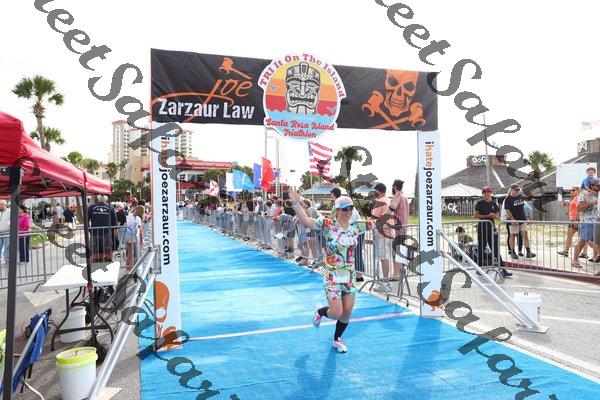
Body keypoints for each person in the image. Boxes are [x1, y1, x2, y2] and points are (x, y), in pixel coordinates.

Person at [290, 189, 373, 353]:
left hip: (348, 275)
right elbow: (307, 222)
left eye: (351, 208)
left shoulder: (356, 226)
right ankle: (320, 311)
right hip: (332, 275)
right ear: (337, 210)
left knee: (347, 311)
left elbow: (379, 222)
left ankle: (337, 339)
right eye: (345, 209)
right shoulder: (328, 225)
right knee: (336, 313)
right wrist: (296, 204)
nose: (348, 212)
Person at [474, 186, 512, 278]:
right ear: (483, 194)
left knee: (495, 248)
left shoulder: (494, 204)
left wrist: (495, 216)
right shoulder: (479, 203)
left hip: (491, 227)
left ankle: (502, 269)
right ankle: (479, 268)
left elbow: (497, 215)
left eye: (488, 192)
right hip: (482, 227)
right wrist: (488, 215)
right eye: (485, 192)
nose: (487, 194)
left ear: (491, 193)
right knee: (481, 248)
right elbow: (475, 215)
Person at [370, 183, 393, 292]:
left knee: (384, 258)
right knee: (385, 258)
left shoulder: (380, 202)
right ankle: (385, 282)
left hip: (382, 233)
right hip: (388, 232)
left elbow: (373, 217)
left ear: (377, 191)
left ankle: (385, 283)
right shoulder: (388, 200)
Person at [572, 179, 600, 268]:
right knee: (582, 241)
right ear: (591, 186)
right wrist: (589, 203)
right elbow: (578, 208)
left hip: (595, 222)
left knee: (597, 241)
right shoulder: (583, 195)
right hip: (586, 222)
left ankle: (597, 256)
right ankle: (575, 260)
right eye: (597, 185)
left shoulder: (596, 195)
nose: (599, 187)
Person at [504, 185, 536, 259]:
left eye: (518, 190)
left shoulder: (520, 196)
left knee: (525, 235)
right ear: (511, 190)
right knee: (512, 236)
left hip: (522, 219)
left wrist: (526, 217)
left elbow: (523, 208)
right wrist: (513, 219)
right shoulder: (508, 199)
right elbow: (507, 210)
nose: (517, 191)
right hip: (513, 221)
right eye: (515, 190)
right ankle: (512, 252)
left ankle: (528, 252)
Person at [389, 179, 410, 282]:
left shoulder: (398, 196)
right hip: (403, 228)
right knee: (400, 251)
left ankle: (396, 274)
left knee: (396, 252)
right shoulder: (404, 197)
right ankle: (399, 273)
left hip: (398, 228)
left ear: (394, 186)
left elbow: (391, 208)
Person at [558, 186, 587, 258]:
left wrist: (577, 220)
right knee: (583, 238)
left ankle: (565, 251)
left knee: (569, 236)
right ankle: (584, 253)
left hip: (574, 220)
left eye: (573, 190)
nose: (571, 191)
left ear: (578, 190)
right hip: (578, 220)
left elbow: (578, 209)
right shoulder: (577, 197)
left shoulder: (578, 197)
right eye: (571, 190)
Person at [88, 195, 117, 263]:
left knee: (94, 252)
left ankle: (95, 265)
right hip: (107, 233)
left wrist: (90, 230)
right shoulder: (110, 208)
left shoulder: (91, 207)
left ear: (98, 199)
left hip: (94, 233)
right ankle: (107, 264)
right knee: (108, 251)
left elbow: (86, 220)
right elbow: (115, 223)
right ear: (106, 200)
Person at [124, 205, 143, 270]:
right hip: (134, 236)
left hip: (127, 235)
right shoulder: (138, 218)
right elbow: (139, 228)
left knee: (130, 253)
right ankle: (133, 268)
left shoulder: (130, 215)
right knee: (136, 253)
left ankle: (128, 267)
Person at [0, 200, 10, 264]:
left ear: (5, 205)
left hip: (7, 232)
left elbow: (12, 220)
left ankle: (7, 260)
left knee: (7, 247)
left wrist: (9, 224)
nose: (0, 206)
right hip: (0, 232)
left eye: (1, 204)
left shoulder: (9, 211)